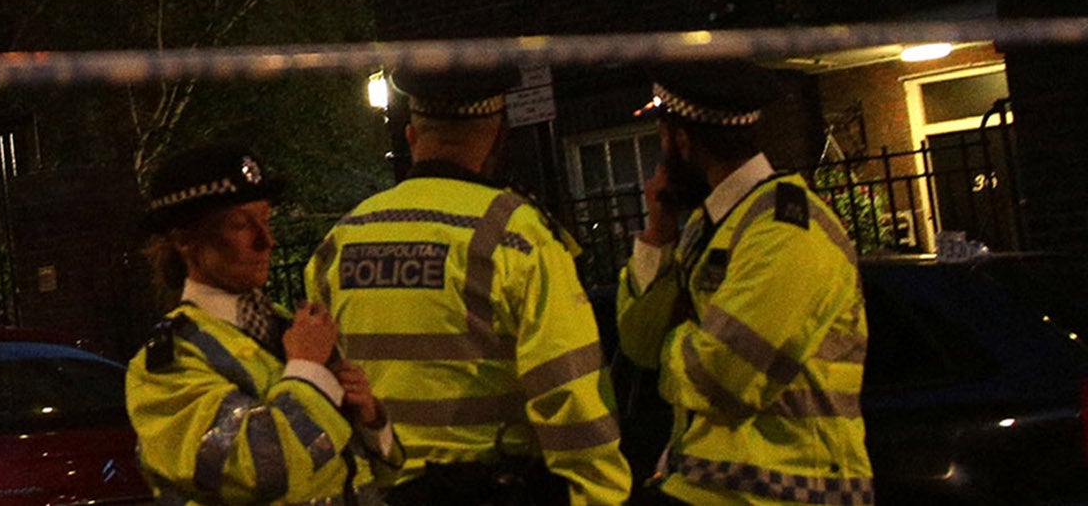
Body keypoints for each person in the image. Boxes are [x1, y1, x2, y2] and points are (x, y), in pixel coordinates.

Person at [307, 69, 631, 506]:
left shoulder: (342, 240)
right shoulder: (517, 237)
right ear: (500, 138)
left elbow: (318, 380)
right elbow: (569, 392)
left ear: (410, 135)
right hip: (489, 489)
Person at [615, 62, 871, 506]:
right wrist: (658, 234)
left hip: (787, 494)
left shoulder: (787, 230)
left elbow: (723, 379)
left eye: (661, 138)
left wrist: (672, 346)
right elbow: (638, 344)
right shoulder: (706, 224)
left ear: (681, 140)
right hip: (711, 489)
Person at [127, 142, 401, 506]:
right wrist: (307, 372)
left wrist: (370, 421)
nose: (267, 241)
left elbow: (372, 476)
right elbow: (261, 470)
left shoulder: (287, 327)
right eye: (240, 224)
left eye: (266, 219)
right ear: (184, 241)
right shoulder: (165, 366)